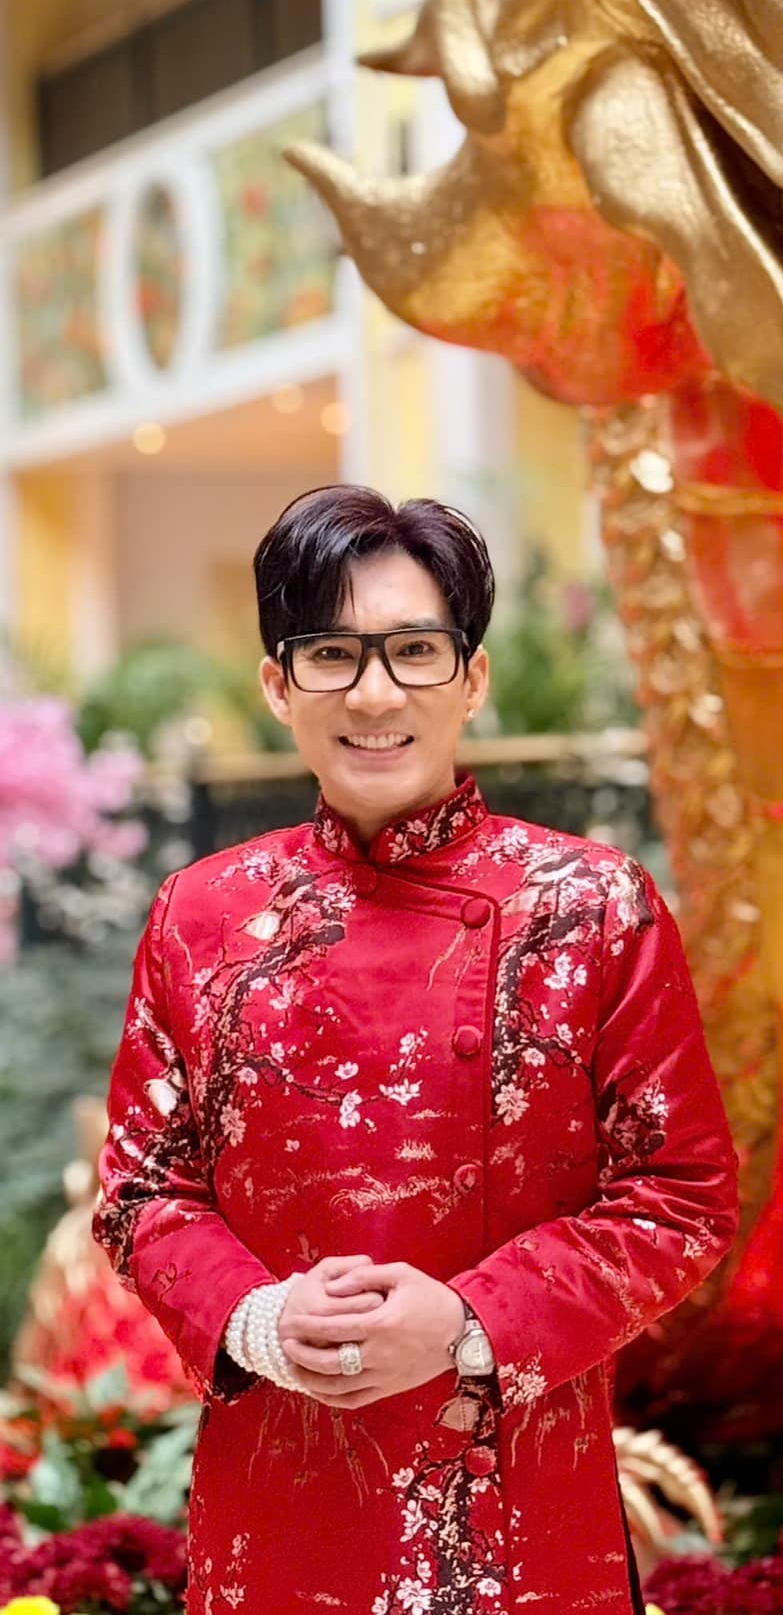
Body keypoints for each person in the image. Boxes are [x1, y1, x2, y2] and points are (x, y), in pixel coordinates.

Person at [94, 485, 739, 1615]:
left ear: (471, 678)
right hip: (282, 1497)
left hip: (519, 1499)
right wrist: (258, 1321)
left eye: (414, 649)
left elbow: (682, 1195)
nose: (375, 692)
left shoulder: (593, 906)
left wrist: (469, 1322)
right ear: (278, 685)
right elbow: (143, 1190)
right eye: (331, 654)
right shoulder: (200, 916)